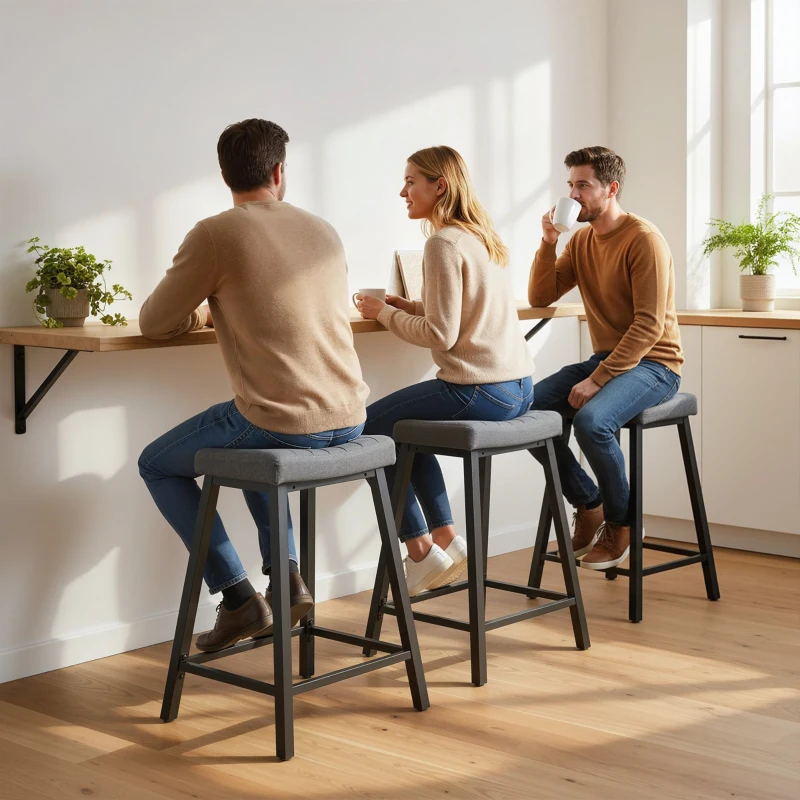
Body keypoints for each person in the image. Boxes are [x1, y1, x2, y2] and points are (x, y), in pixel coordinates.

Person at [138, 119, 369, 651]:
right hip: (351, 416)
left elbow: (154, 321)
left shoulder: (216, 234)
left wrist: (203, 313)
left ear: (225, 175)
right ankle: (286, 580)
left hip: (284, 422)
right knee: (250, 437)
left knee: (158, 463)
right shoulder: (323, 230)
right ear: (279, 171)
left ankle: (238, 597)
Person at [357, 146, 534, 596]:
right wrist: (408, 306)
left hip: (479, 389)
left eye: (410, 181)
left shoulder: (441, 243)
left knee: (370, 430)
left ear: (440, 186)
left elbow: (441, 334)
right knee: (408, 432)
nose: (403, 192)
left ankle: (420, 552)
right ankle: (446, 540)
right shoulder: (481, 237)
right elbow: (465, 312)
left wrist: (382, 314)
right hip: (518, 388)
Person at [528, 146, 683, 570]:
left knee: (592, 423)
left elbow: (649, 327)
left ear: (611, 189)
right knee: (526, 414)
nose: (573, 195)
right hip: (608, 357)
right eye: (570, 185)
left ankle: (622, 524)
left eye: (583, 185)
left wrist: (598, 378)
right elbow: (540, 296)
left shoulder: (643, 239)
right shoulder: (581, 241)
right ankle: (589, 502)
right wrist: (548, 242)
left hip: (656, 364)